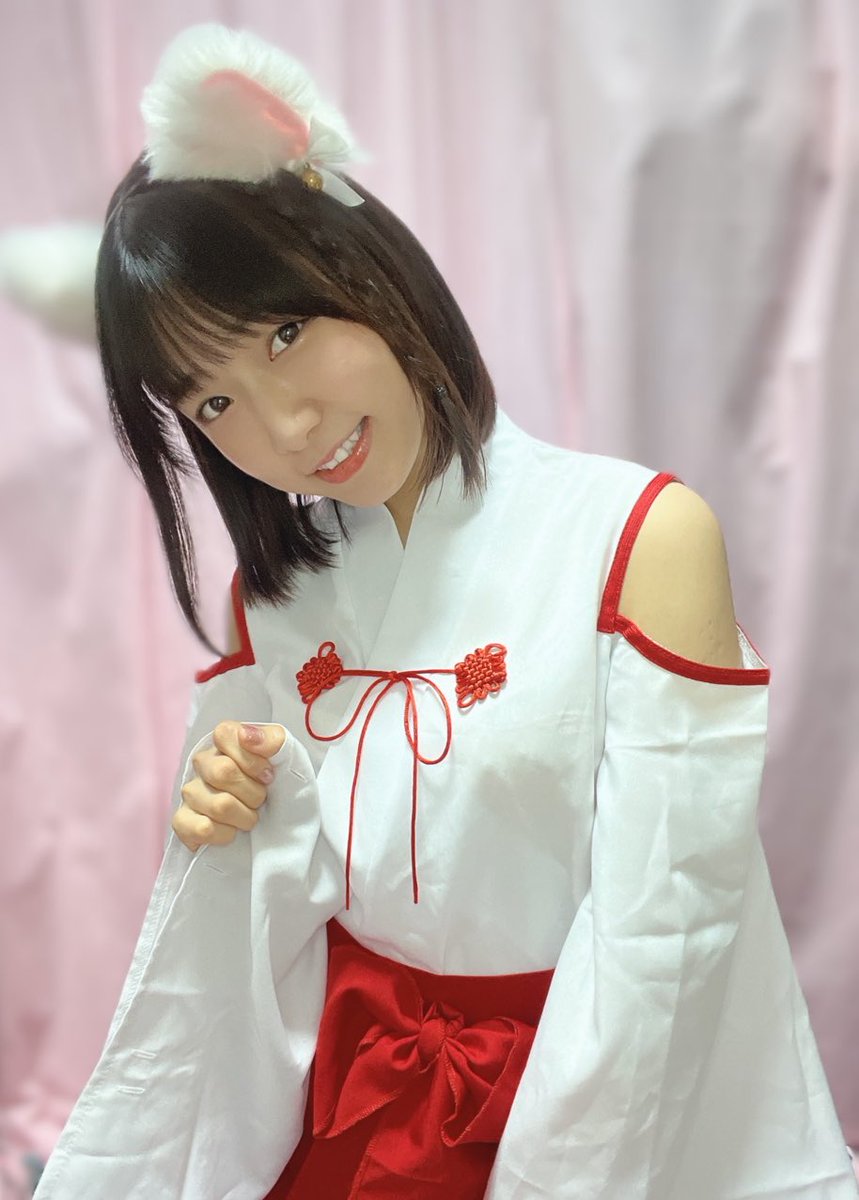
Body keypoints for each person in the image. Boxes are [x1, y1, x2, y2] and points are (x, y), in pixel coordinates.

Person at [33, 22, 858, 1200]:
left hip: (611, 1107)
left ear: (362, 268)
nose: (286, 428)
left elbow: (661, 945)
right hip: (361, 1106)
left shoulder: (637, 540)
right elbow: (295, 906)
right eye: (214, 402)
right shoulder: (273, 601)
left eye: (285, 333)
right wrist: (233, 806)